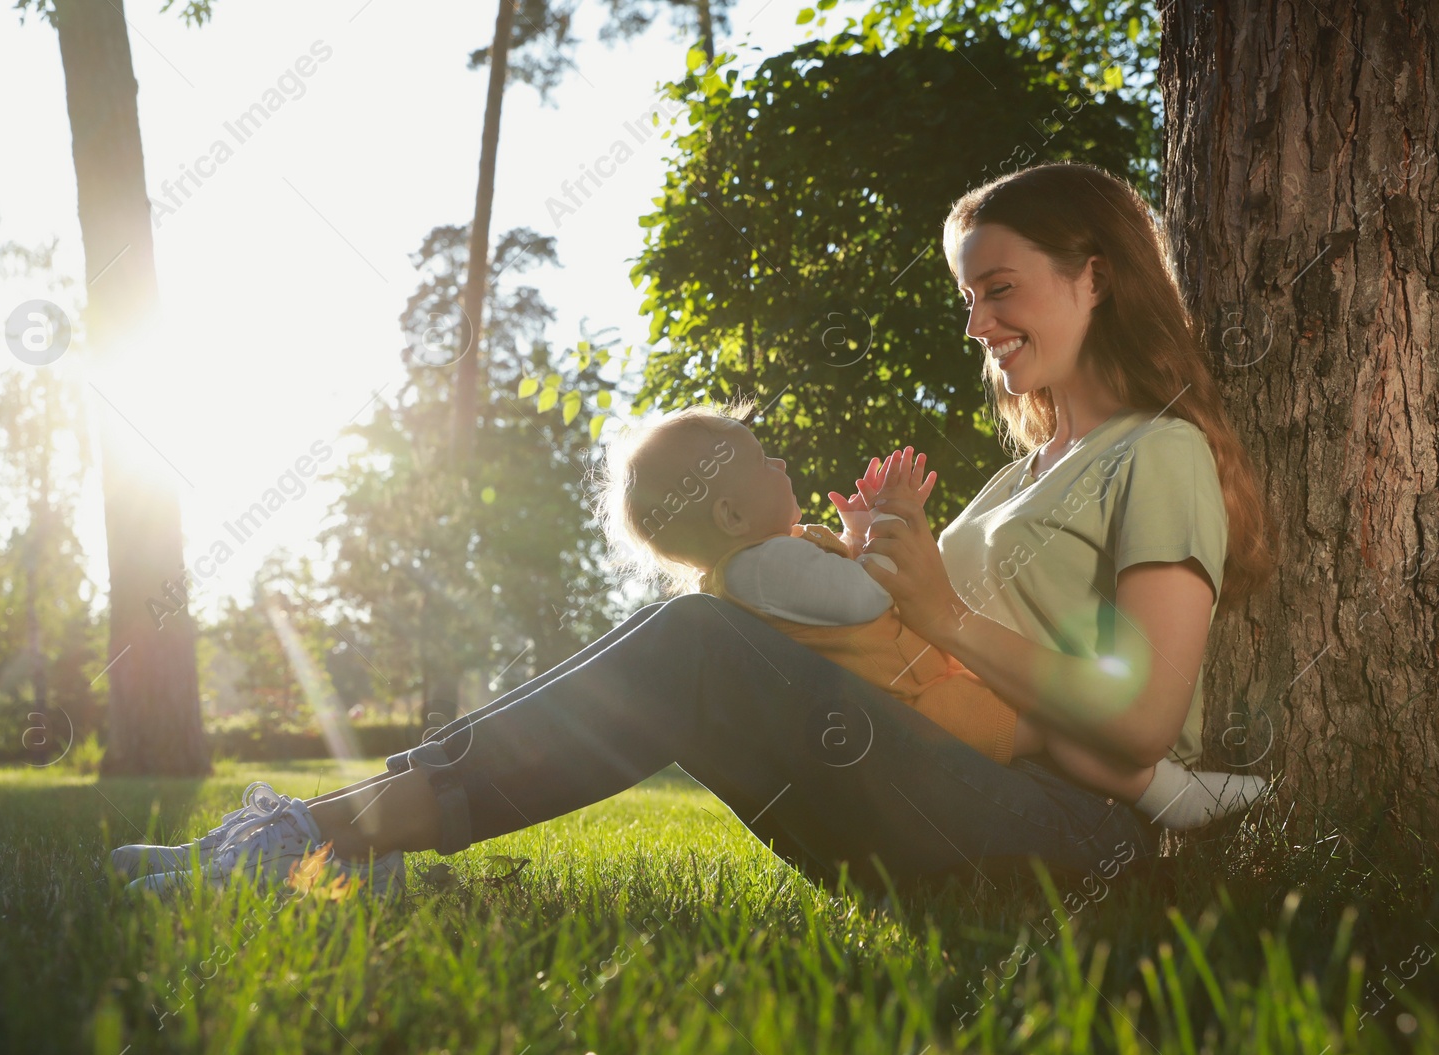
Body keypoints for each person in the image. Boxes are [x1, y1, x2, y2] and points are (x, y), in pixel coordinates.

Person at [112, 162, 1276, 903]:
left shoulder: (1157, 453)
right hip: (936, 803)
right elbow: (899, 648)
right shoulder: (1024, 473)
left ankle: (310, 838)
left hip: (1066, 842)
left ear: (1097, 276)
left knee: (696, 638)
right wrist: (879, 553)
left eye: (1001, 288)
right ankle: (324, 838)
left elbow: (1140, 718)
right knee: (696, 630)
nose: (977, 322)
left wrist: (938, 606)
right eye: (967, 296)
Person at [603, 402, 1265, 828]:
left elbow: (840, 593)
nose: (778, 461)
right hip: (922, 706)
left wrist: (864, 537)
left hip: (914, 703)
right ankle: (1171, 796)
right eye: (759, 460)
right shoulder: (762, 565)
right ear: (730, 515)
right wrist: (894, 535)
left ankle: (1166, 794)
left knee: (1063, 733)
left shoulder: (764, 565)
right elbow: (863, 597)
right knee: (1062, 730)